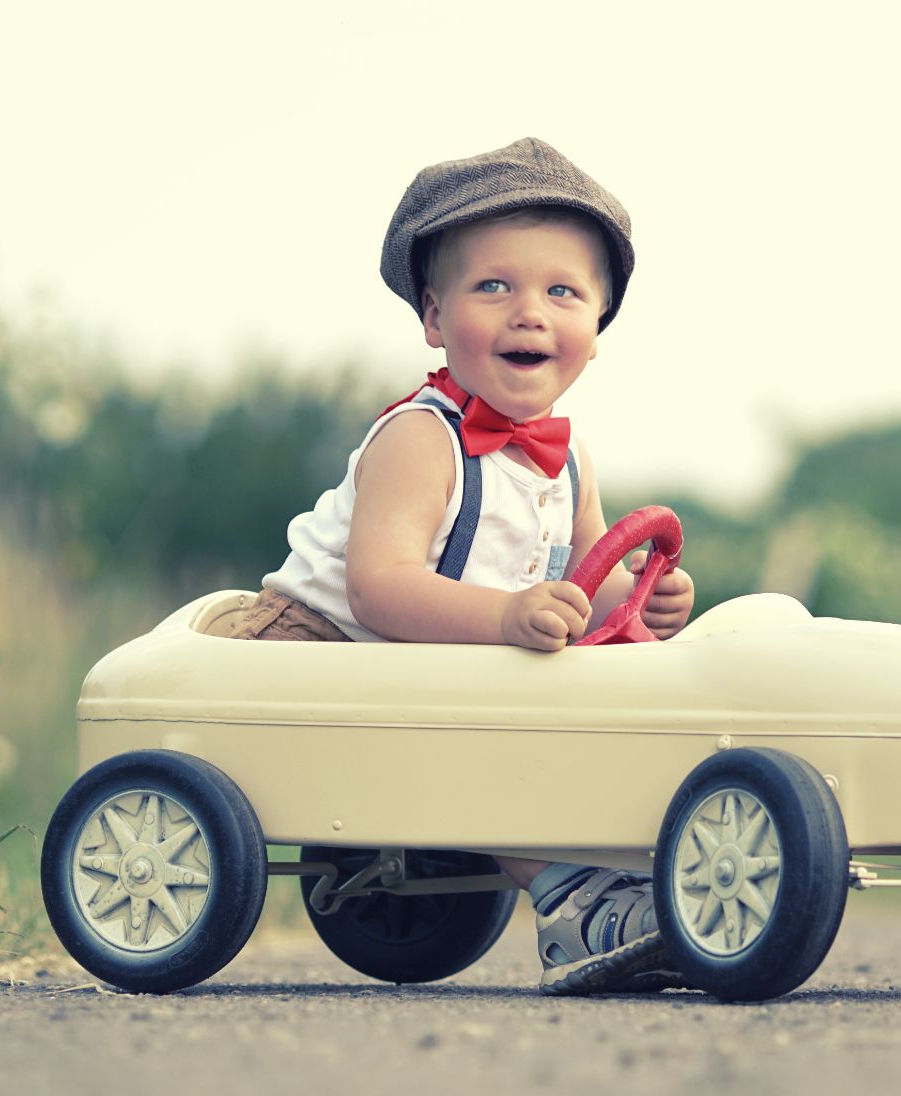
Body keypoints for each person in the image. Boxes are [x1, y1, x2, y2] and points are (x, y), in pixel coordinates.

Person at [230, 138, 696, 995]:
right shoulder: (423, 437)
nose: (529, 312)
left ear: (596, 327)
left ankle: (628, 868)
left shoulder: (571, 460)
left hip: (446, 659)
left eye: (562, 291)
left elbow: (589, 582)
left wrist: (642, 598)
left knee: (577, 705)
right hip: (331, 647)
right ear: (435, 320)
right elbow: (381, 587)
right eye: (494, 286)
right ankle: (572, 903)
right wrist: (509, 617)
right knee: (490, 736)